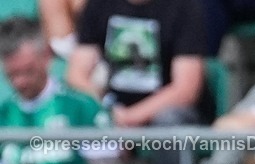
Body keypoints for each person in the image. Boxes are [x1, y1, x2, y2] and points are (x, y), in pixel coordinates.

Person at [0, 17, 110, 164]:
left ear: (46, 56)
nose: (20, 82)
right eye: (12, 75)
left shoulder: (82, 108)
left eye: (28, 71)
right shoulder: (3, 115)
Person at [67, 0, 208, 129]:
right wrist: (107, 109)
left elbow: (186, 89)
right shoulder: (98, 4)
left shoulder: (184, 6)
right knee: (72, 112)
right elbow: (77, 75)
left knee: (169, 120)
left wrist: (129, 117)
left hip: (165, 112)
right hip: (112, 108)